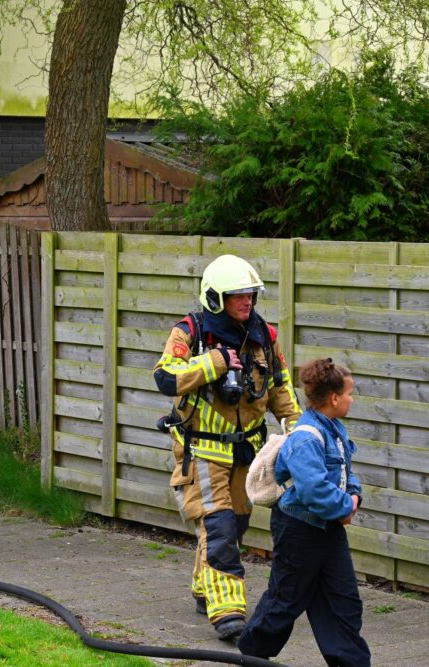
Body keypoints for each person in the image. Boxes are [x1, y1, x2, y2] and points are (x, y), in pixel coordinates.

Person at [153, 254, 302, 641]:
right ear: (216, 298)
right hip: (203, 451)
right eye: (238, 295)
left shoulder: (264, 336)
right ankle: (229, 613)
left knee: (233, 527)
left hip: (246, 454)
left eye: (250, 294)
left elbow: (281, 389)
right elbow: (165, 377)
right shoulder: (190, 332)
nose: (247, 301)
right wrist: (214, 363)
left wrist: (300, 432)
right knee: (218, 528)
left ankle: (205, 587)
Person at [237, 358, 370, 666]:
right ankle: (252, 655)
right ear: (334, 398)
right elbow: (314, 490)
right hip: (299, 530)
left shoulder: (334, 429)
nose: (352, 400)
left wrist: (354, 496)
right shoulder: (305, 438)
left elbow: (346, 471)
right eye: (349, 394)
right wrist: (343, 507)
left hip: (328, 529)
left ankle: (350, 662)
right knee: (287, 598)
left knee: (343, 601)